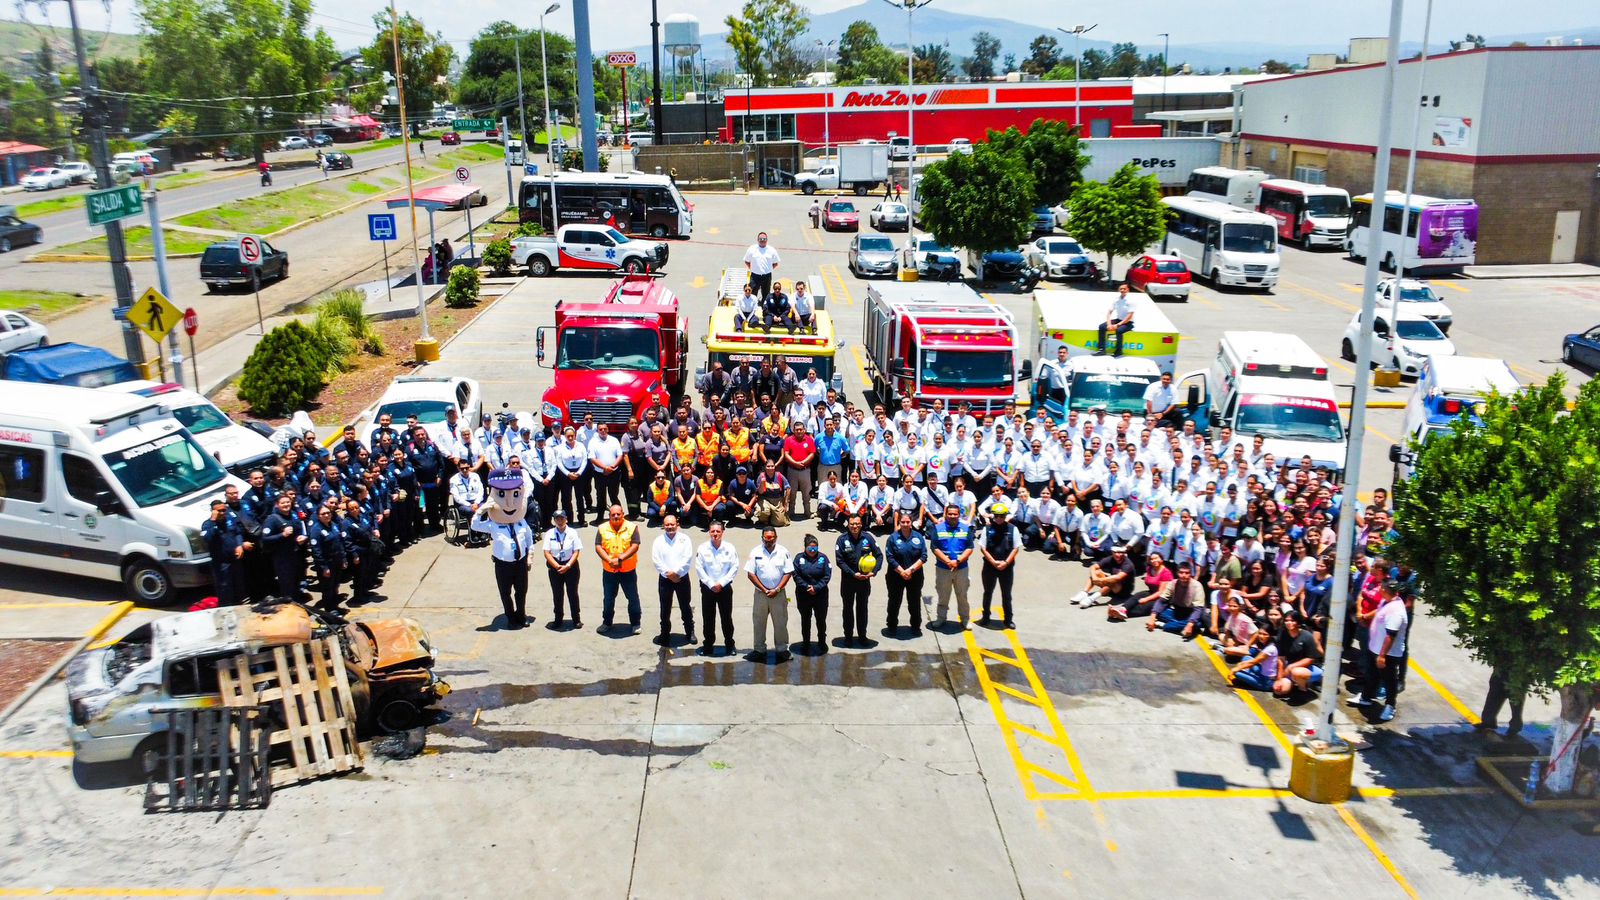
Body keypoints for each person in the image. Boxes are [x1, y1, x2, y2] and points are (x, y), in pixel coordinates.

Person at [474, 470, 538, 629]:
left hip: (520, 562)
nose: (509, 504)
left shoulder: (522, 523)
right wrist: (480, 511)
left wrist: (530, 556)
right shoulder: (494, 524)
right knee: (505, 593)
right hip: (503, 564)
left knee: (521, 592)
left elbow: (530, 541)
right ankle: (510, 617)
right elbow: (475, 526)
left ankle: (521, 615)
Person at [1352, 580, 1408, 723]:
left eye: (1381, 588)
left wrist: (1382, 656)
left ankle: (1390, 706)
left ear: (1384, 590)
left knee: (1389, 680)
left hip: (1387, 654)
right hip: (1374, 648)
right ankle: (1365, 697)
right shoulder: (1386, 601)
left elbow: (1391, 635)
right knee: (1371, 675)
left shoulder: (1396, 611)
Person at [745, 527, 794, 662]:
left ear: (776, 537)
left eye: (772, 537)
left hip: (778, 594)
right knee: (759, 622)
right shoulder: (755, 552)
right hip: (761, 594)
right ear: (762, 538)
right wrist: (764, 589)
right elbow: (750, 573)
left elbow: (788, 572)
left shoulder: (783, 552)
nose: (769, 540)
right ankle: (759, 650)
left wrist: (777, 589)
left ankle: (782, 650)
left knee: (781, 623)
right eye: (766, 538)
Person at [694, 522, 740, 655]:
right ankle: (708, 645)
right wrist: (710, 584)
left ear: (722, 532)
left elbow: (734, 567)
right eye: (712, 531)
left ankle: (730, 645)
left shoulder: (729, 548)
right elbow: (699, 568)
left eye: (718, 532)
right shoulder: (702, 548)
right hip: (708, 589)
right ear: (709, 532)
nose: (715, 534)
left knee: (726, 618)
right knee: (708, 618)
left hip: (724, 588)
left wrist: (721, 583)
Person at [835, 513, 880, 646]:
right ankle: (848, 637)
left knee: (862, 608)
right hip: (848, 581)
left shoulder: (868, 538)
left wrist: (874, 571)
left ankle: (862, 636)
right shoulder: (842, 539)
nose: (855, 526)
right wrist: (853, 574)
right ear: (848, 525)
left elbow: (879, 555)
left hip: (864, 581)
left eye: (857, 524)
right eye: (852, 524)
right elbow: (839, 561)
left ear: (861, 524)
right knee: (847, 609)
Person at [595, 504, 642, 633]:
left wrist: (620, 559)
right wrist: (609, 560)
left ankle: (636, 623)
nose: (615, 516)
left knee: (632, 597)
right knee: (608, 598)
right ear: (609, 516)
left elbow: (635, 545)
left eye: (618, 514)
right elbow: (598, 546)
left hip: (628, 570)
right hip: (609, 571)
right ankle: (607, 623)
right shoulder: (602, 528)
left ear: (623, 514)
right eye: (613, 515)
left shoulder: (632, 527)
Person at [929, 504, 976, 630]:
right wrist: (948, 561)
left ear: (959, 515)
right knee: (943, 595)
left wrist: (958, 560)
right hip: (943, 568)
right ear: (945, 514)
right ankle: (941, 618)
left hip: (961, 568)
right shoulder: (938, 528)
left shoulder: (966, 528)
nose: (952, 516)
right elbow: (934, 547)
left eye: (955, 514)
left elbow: (970, 547)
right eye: (950, 514)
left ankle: (965, 619)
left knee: (962, 595)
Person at [651, 513, 696, 645]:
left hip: (682, 578)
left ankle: (690, 632)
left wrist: (677, 573)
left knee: (685, 605)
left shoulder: (685, 539)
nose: (670, 527)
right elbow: (656, 560)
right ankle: (664, 633)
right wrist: (668, 574)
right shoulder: (658, 541)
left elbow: (687, 558)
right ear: (663, 526)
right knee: (665, 607)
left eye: (672, 524)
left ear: (677, 525)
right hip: (665, 579)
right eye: (667, 525)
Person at [979, 503, 1021, 629]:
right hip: (990, 567)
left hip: (1006, 567)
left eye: (1002, 516)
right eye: (996, 516)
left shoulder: (1013, 529)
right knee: (988, 592)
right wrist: (993, 562)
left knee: (1006, 594)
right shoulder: (987, 529)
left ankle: (1008, 619)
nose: (999, 518)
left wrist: (1006, 562)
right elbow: (983, 548)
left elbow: (1016, 548)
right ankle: (986, 616)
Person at [884, 511, 928, 632]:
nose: (904, 524)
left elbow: (923, 556)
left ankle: (915, 626)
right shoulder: (892, 538)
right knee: (894, 601)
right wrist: (902, 571)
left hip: (915, 575)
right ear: (899, 523)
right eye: (902, 522)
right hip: (896, 576)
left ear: (911, 523)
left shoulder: (918, 537)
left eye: (907, 522)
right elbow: (890, 557)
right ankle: (891, 625)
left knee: (914, 602)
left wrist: (910, 570)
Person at [201, 500, 246, 606]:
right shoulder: (207, 525)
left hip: (234, 560)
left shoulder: (230, 519)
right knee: (225, 587)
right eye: (219, 511)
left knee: (239, 585)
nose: (222, 513)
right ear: (213, 511)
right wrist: (213, 521)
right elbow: (207, 538)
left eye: (224, 510)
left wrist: (239, 545)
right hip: (221, 563)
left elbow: (238, 533)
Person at [543, 509, 584, 629]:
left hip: (570, 566)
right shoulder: (550, 533)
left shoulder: (572, 532)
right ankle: (558, 619)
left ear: (566, 519)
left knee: (572, 593)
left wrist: (568, 565)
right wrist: (556, 566)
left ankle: (576, 618)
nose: (560, 521)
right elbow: (547, 552)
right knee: (557, 593)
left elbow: (576, 551)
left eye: (562, 518)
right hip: (555, 566)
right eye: (557, 519)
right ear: (554, 520)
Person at [262, 494, 307, 600]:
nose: (286, 504)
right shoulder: (272, 519)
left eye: (288, 502)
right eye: (283, 503)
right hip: (282, 558)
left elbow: (301, 529)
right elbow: (265, 539)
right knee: (287, 585)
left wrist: (303, 537)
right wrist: (282, 535)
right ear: (277, 505)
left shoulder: (294, 514)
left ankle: (298, 606)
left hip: (295, 554)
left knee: (297, 582)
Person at [792, 534, 833, 650]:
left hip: (820, 595)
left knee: (821, 619)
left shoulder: (823, 558)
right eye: (810, 548)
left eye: (815, 548)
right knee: (805, 619)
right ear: (805, 547)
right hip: (804, 595)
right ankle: (806, 642)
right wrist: (807, 587)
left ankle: (822, 641)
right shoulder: (799, 558)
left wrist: (817, 587)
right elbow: (795, 575)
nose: (813, 550)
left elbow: (827, 575)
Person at [307, 504, 347, 610]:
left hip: (337, 561)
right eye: (323, 513)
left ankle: (335, 605)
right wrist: (324, 567)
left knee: (335, 585)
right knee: (327, 588)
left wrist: (343, 559)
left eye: (328, 513)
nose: (326, 515)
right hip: (326, 563)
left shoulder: (333, 525)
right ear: (318, 516)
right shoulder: (316, 530)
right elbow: (316, 551)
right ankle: (330, 609)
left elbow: (340, 542)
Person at [1071, 545, 1137, 608]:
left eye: (1120, 552)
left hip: (1124, 591)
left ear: (1124, 553)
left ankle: (1091, 598)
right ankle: (1084, 593)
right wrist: (1094, 578)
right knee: (1097, 572)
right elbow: (1093, 567)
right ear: (1112, 552)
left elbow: (1118, 577)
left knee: (1113, 580)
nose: (1117, 555)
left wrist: (1100, 580)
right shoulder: (1111, 559)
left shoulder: (1128, 564)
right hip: (1112, 587)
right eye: (1115, 552)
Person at [1097, 284, 1135, 358]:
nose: (1122, 290)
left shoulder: (1131, 301)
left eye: (1124, 289)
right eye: (1121, 289)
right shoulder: (1116, 300)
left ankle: (1118, 351)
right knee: (1102, 327)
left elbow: (1129, 315)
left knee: (1119, 331)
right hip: (1118, 319)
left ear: (1128, 290)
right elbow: (1109, 312)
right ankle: (1101, 350)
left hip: (1128, 322)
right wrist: (1109, 324)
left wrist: (1117, 325)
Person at [743, 231, 780, 300]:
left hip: (767, 276)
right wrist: (753, 269)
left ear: (767, 240)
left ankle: (764, 308)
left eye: (764, 239)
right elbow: (747, 261)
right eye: (761, 239)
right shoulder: (752, 249)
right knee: (752, 293)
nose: (762, 241)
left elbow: (776, 263)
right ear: (757, 240)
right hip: (755, 276)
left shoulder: (772, 250)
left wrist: (769, 269)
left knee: (766, 294)